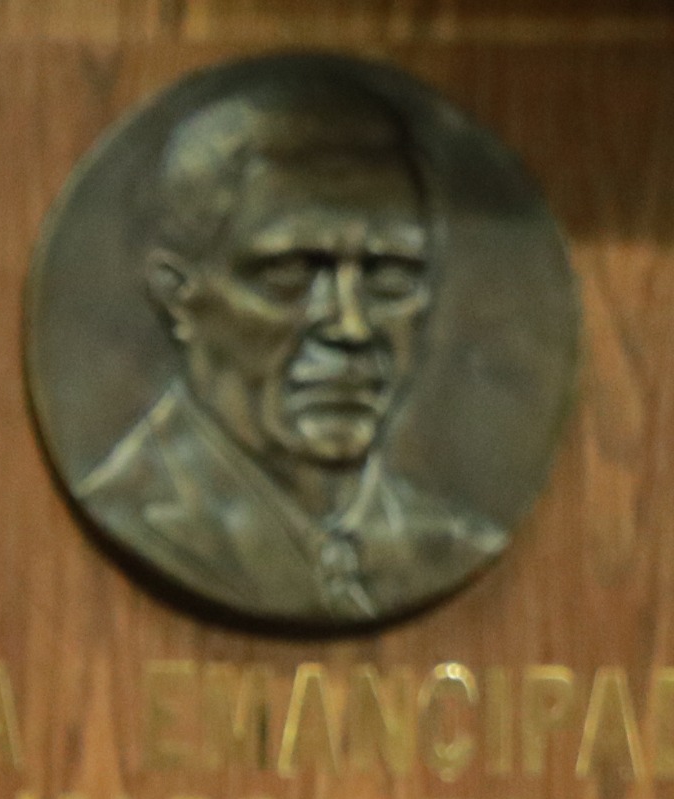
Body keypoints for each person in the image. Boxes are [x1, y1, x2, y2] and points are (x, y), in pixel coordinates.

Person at [74, 72, 504, 626]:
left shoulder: (453, 545)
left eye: (390, 275)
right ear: (177, 295)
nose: (351, 326)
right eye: (290, 273)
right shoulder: (129, 513)